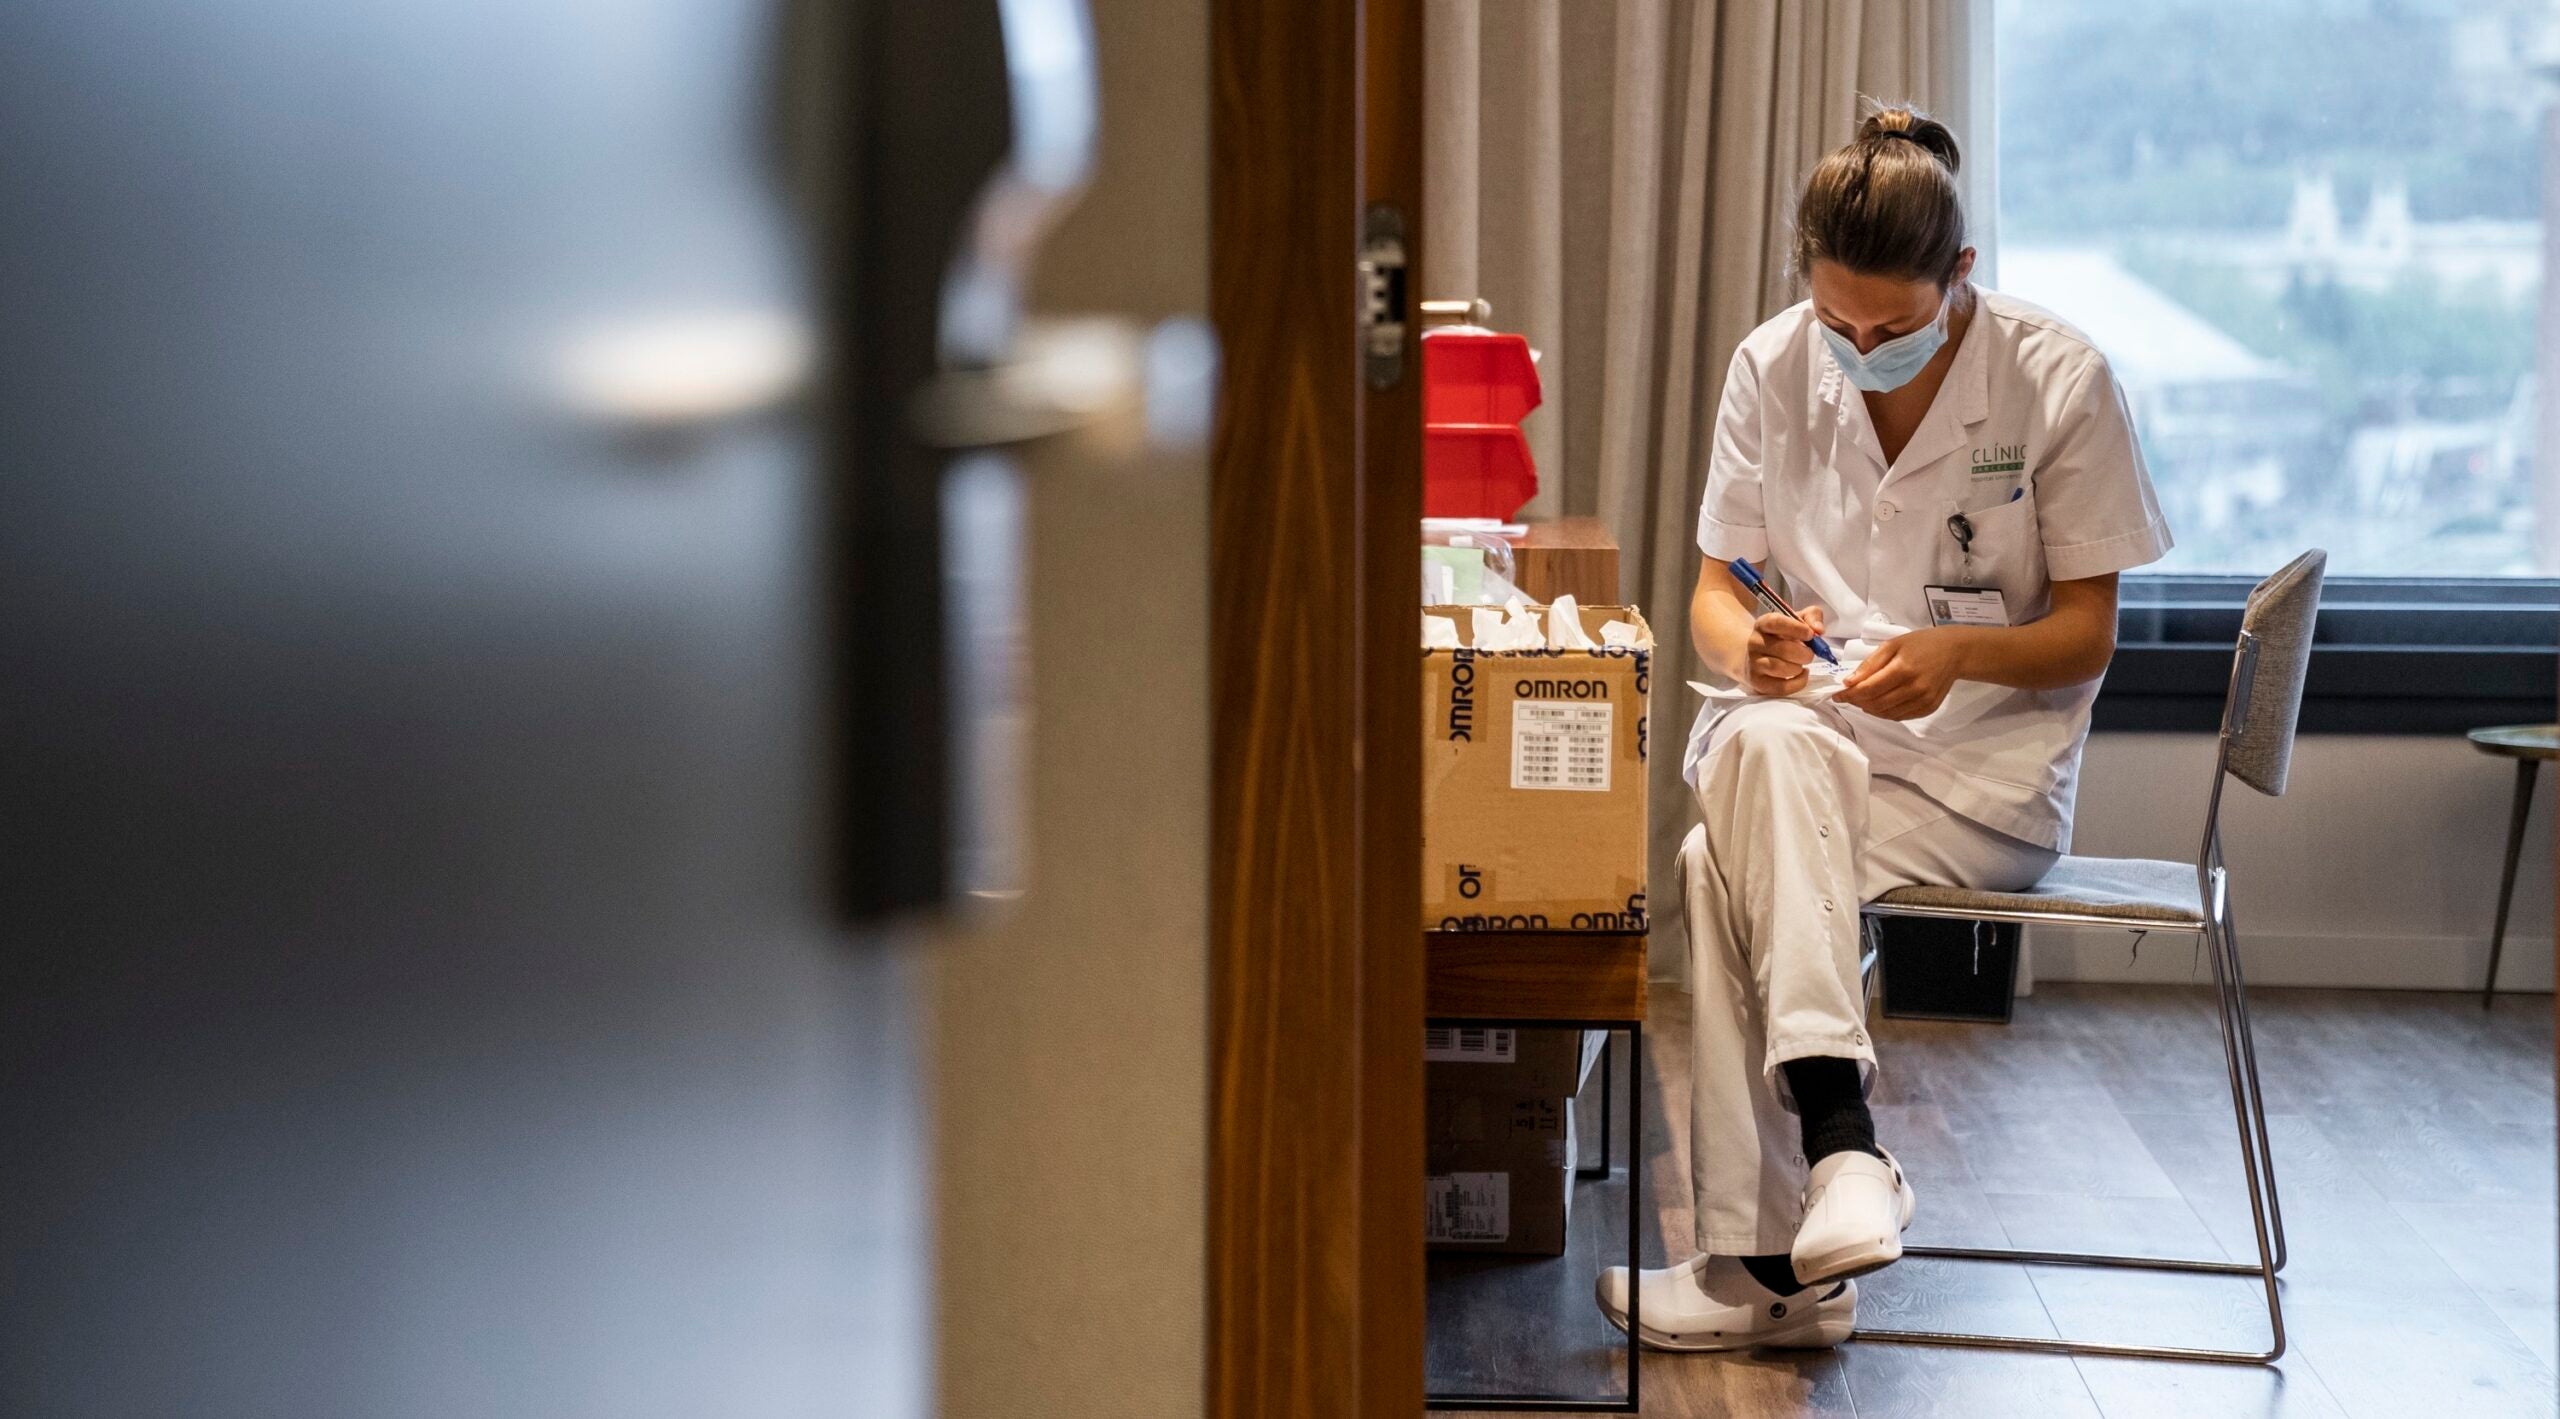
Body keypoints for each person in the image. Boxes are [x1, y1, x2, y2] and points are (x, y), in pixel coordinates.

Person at [1596, 104, 2171, 1351]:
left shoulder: (2057, 378)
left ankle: (1764, 1265)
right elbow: (1712, 586)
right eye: (1835, 323)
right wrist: (1742, 643)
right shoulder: (1770, 363)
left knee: (1718, 857)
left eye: (1893, 329)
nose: (1857, 348)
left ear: (1959, 278)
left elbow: (2085, 633)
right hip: (1809, 749)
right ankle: (1840, 1167)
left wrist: (1958, 653)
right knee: (1766, 746)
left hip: (1980, 781)